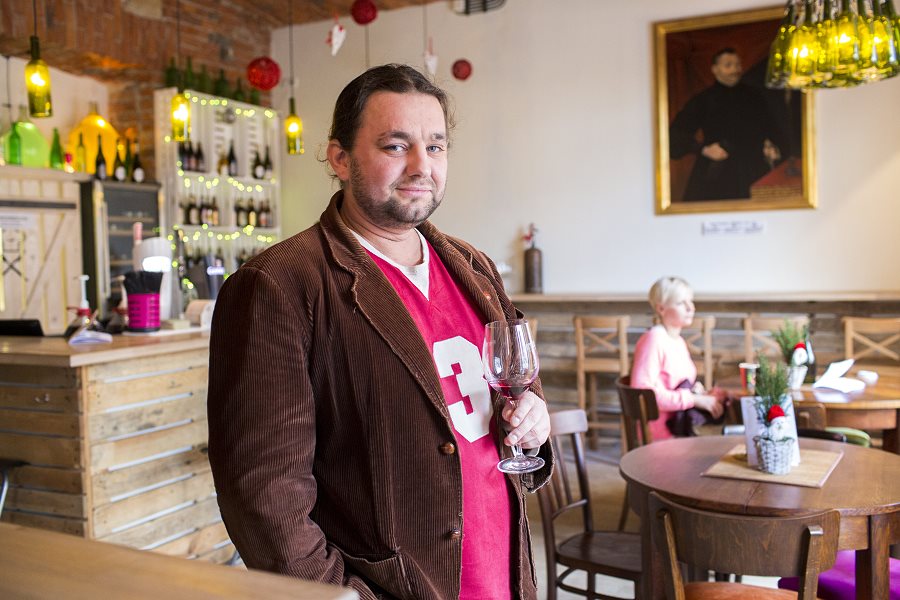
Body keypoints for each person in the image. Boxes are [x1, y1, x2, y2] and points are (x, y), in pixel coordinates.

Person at [207, 64, 553, 600]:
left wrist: (533, 421)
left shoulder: (474, 266)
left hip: (505, 578)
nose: (422, 166)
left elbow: (518, 394)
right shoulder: (278, 284)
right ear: (340, 158)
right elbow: (263, 497)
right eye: (396, 146)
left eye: (435, 147)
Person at [669, 48, 784, 201]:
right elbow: (675, 135)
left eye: (737, 65)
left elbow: (771, 127)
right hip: (718, 171)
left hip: (754, 168)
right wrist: (704, 150)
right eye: (728, 65)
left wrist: (771, 145)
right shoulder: (703, 99)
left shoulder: (755, 96)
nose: (735, 70)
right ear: (715, 69)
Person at [629, 276, 726, 441]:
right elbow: (643, 395)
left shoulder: (678, 341)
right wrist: (694, 400)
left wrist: (696, 391)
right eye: (681, 303)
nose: (690, 308)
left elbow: (674, 385)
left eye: (691, 301)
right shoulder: (654, 339)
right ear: (661, 308)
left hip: (680, 427)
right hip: (662, 434)